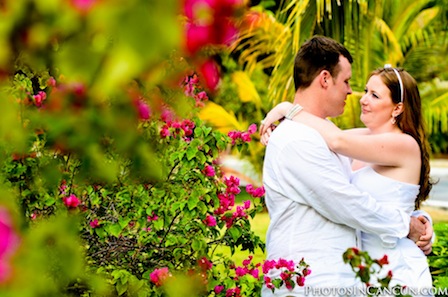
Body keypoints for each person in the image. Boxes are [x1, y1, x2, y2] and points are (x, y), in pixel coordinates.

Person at [258, 36, 433, 296]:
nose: (355, 94)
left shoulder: (350, 141)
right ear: (326, 79)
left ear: (397, 108)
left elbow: (341, 147)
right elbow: (345, 201)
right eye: (349, 82)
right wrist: (406, 224)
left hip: (374, 273)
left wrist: (419, 222)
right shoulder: (301, 138)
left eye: (374, 95)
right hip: (308, 282)